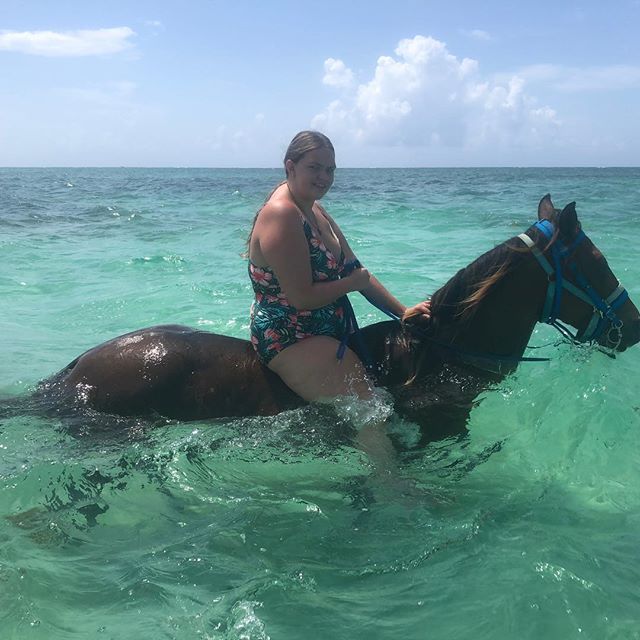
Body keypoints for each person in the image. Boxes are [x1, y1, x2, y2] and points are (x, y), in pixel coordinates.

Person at [247, 130, 430, 403]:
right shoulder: (282, 214)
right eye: (314, 168)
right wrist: (350, 284)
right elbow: (301, 297)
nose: (324, 177)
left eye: (330, 170)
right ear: (290, 167)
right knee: (370, 411)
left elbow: (356, 270)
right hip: (291, 337)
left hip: (328, 329)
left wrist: (403, 313)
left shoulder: (315, 209)